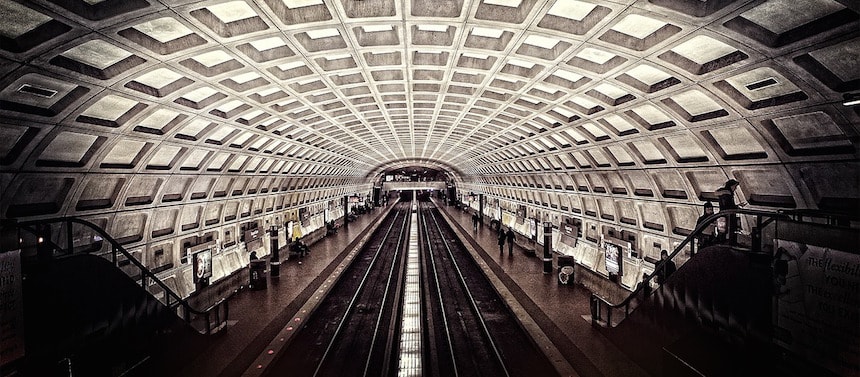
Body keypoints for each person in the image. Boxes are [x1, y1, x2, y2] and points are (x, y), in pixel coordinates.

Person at [715, 179, 746, 245]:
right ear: (731, 186)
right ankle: (728, 244)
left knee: (722, 232)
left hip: (723, 216)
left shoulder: (724, 192)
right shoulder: (728, 194)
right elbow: (729, 206)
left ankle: (722, 243)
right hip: (728, 216)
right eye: (735, 186)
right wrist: (738, 207)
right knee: (729, 231)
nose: (735, 188)